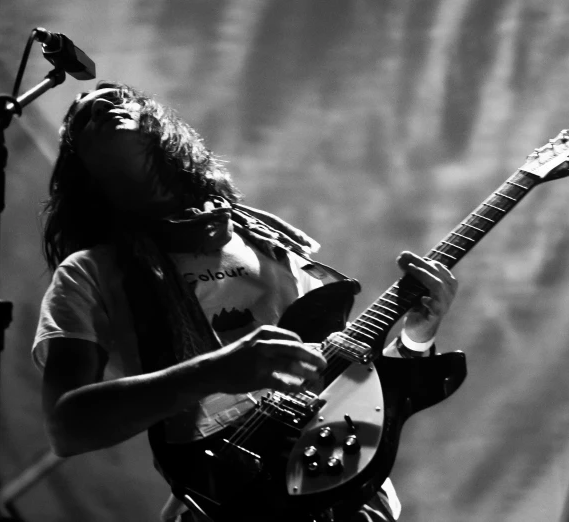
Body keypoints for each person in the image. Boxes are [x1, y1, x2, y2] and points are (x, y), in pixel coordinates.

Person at [32, 80, 459, 522]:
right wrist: (216, 371)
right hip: (231, 502)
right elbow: (68, 427)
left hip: (351, 495)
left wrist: (414, 339)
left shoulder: (272, 246)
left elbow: (341, 382)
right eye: (82, 115)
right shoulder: (91, 273)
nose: (101, 100)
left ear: (163, 130)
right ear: (80, 169)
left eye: (118, 95)